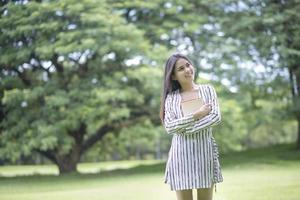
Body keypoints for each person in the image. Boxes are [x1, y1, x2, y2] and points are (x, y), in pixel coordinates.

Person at [159, 53, 223, 200]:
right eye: (181, 68)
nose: (187, 70)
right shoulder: (171, 98)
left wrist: (185, 128)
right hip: (181, 157)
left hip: (204, 154)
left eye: (188, 65)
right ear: (174, 76)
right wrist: (197, 115)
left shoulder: (208, 90)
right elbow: (169, 126)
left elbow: (215, 117)